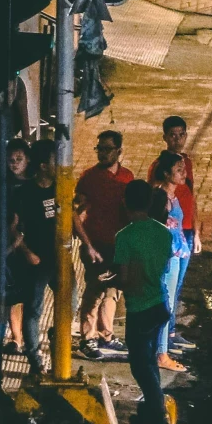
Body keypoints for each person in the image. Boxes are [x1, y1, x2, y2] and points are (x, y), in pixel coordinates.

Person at [111, 179, 181, 424]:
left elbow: (126, 279)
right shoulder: (163, 232)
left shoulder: (125, 237)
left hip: (139, 308)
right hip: (160, 303)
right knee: (149, 360)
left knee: (142, 366)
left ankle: (159, 420)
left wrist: (110, 281)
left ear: (126, 202)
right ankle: (151, 411)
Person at [73, 130, 134, 360]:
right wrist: (86, 243)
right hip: (96, 244)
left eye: (107, 149)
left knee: (112, 291)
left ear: (119, 151)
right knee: (94, 290)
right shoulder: (89, 178)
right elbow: (76, 210)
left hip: (118, 244)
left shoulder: (127, 176)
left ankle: (105, 333)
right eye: (100, 148)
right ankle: (87, 338)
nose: (102, 153)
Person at [3, 139, 52, 365]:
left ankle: (52, 339)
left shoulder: (59, 187)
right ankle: (33, 355)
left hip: (56, 256)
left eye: (19, 159)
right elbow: (14, 226)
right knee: (30, 306)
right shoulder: (23, 192)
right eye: (11, 160)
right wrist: (25, 252)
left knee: (68, 302)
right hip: (33, 258)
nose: (14, 164)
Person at [159, 115, 198, 352]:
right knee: (167, 289)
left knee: (177, 287)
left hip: (185, 235)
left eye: (181, 134)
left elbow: (193, 198)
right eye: (172, 135)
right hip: (171, 240)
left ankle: (170, 334)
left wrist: (197, 232)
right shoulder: (161, 169)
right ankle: (164, 340)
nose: (177, 139)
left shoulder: (186, 163)